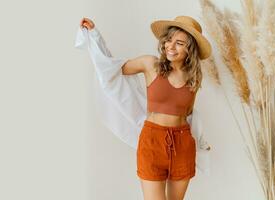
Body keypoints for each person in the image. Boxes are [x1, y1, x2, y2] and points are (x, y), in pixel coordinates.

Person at [78, 15, 211, 200]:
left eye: (180, 43)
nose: (171, 46)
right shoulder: (151, 64)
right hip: (152, 142)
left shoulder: (193, 78)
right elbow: (111, 68)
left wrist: (201, 141)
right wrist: (94, 36)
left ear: (190, 50)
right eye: (169, 40)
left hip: (183, 144)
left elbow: (188, 114)